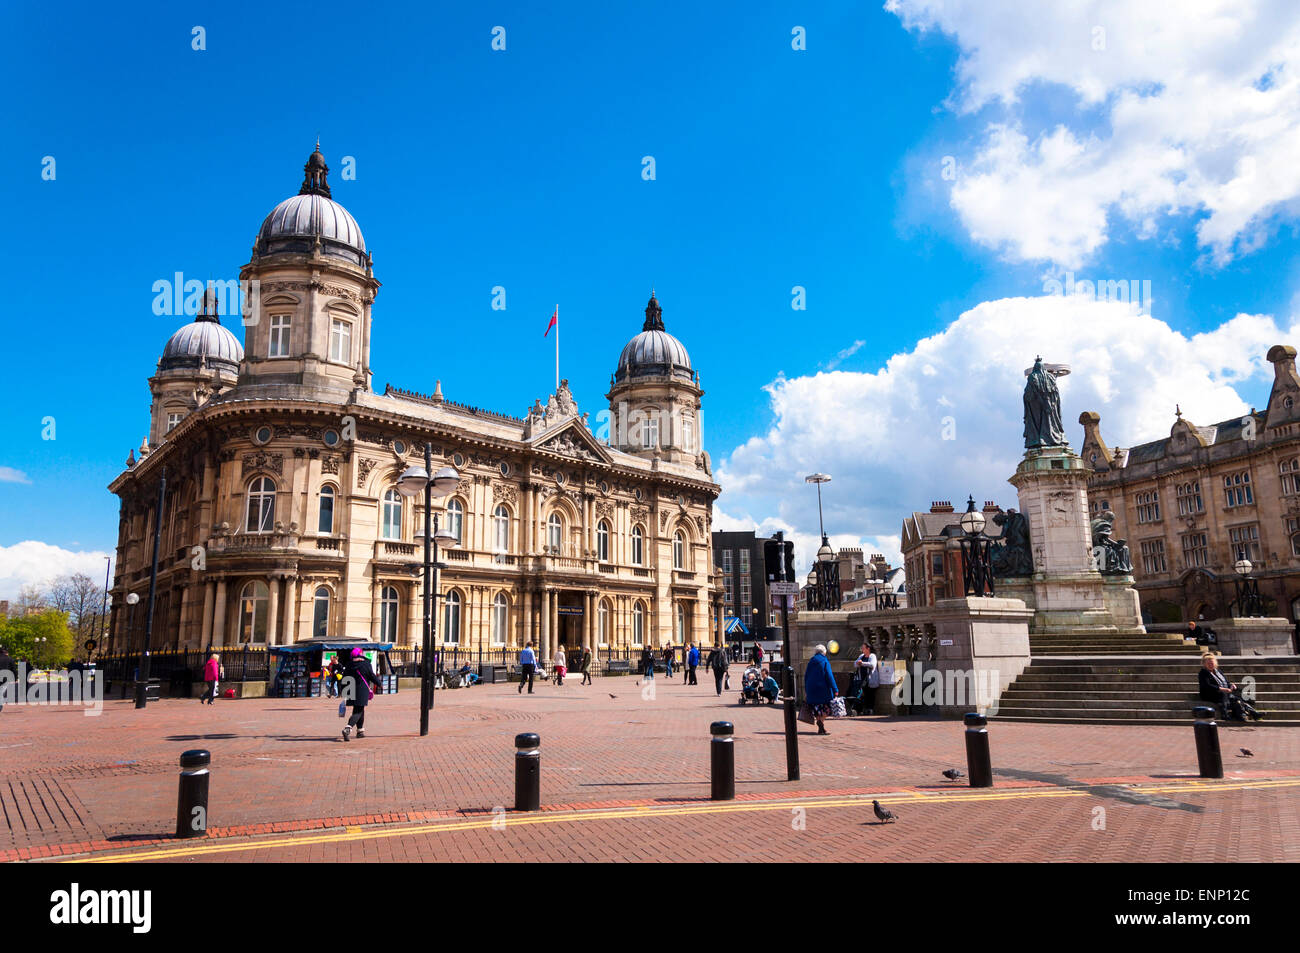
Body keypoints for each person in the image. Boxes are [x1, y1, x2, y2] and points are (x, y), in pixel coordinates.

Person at [1198, 655, 1260, 722]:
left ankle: (1248, 713)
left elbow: (1226, 682)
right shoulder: (1203, 673)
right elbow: (1208, 686)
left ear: (1215, 663)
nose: (1211, 665)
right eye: (1208, 664)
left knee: (1238, 692)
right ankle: (1225, 714)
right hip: (1210, 693)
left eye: (1212, 663)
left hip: (1223, 691)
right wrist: (1222, 689)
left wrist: (1231, 685)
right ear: (1204, 664)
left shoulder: (1218, 671)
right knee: (1228, 695)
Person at [340, 648, 380, 741]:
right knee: (358, 711)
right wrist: (379, 684)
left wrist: (344, 691)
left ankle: (360, 731)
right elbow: (371, 675)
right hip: (362, 690)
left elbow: (344, 678)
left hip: (350, 689)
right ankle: (348, 728)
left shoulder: (349, 664)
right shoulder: (365, 664)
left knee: (358, 709)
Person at [803, 644, 839, 735]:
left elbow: (806, 676)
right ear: (824, 652)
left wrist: (807, 689)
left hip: (811, 689)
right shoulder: (824, 661)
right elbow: (829, 676)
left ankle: (821, 727)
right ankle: (821, 722)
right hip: (823, 689)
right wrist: (835, 689)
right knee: (828, 708)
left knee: (816, 709)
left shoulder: (811, 661)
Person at [853, 643, 878, 716]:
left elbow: (872, 665)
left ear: (868, 649)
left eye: (863, 648)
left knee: (870, 694)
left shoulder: (872, 656)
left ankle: (870, 709)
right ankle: (863, 709)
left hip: (870, 679)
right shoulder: (861, 656)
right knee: (863, 694)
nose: (862, 650)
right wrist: (858, 663)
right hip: (862, 679)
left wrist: (862, 663)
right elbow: (855, 663)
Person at [0, 644, 16, 712]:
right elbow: (14, 670)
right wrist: (15, 678)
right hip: (5, 679)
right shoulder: (10, 659)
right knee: (1, 692)